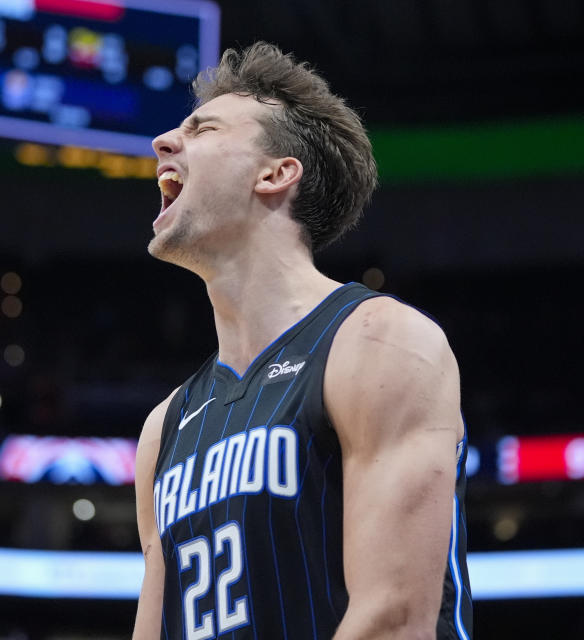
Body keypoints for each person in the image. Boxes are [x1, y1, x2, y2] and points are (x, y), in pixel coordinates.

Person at [132, 41, 472, 640]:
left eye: (202, 128)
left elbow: (393, 619)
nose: (164, 142)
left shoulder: (380, 342)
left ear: (276, 172)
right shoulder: (166, 427)